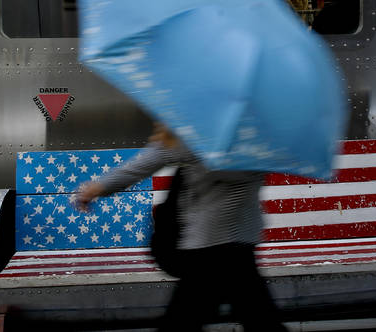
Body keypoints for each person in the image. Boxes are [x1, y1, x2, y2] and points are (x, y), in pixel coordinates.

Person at [75, 123, 287, 331]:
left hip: (208, 247)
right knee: (259, 320)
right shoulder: (256, 140)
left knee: (183, 323)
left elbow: (142, 165)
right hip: (240, 243)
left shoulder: (197, 141)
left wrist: (96, 188)